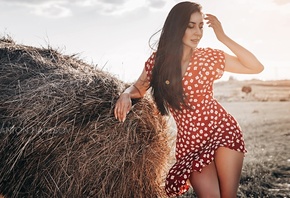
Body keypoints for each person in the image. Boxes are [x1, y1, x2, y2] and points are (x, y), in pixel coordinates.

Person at [114, 1, 264, 197]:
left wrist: (223, 37)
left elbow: (256, 67)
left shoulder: (208, 57)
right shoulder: (158, 61)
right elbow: (138, 88)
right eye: (191, 26)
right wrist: (125, 94)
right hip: (190, 144)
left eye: (201, 26)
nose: (198, 32)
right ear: (177, 27)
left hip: (223, 131)